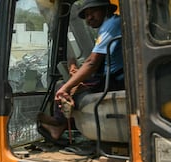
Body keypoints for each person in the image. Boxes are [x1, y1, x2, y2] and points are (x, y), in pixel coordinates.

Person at [38, 0, 124, 142]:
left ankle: (58, 125)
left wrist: (67, 87)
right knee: (74, 84)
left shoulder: (110, 25)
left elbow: (91, 63)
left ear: (105, 10)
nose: (89, 18)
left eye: (93, 12)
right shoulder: (112, 25)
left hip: (115, 80)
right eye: (87, 15)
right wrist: (76, 72)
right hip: (113, 77)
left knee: (62, 86)